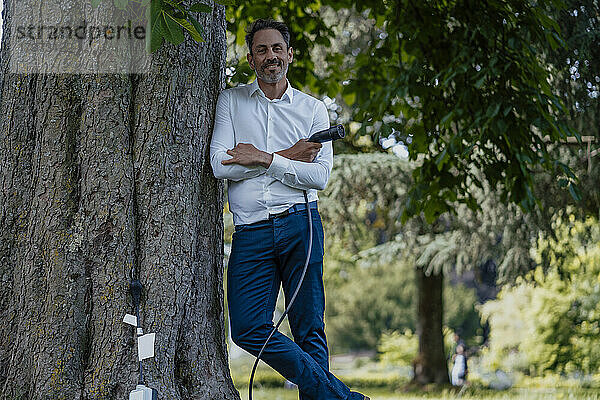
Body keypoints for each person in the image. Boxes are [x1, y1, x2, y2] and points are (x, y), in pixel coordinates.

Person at [209, 18, 369, 400]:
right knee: (247, 327)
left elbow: (318, 177)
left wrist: (262, 159)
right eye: (261, 50)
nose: (270, 56)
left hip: (301, 225)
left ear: (289, 54)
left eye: (277, 48)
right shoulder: (232, 101)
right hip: (251, 232)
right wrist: (287, 157)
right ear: (250, 58)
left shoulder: (314, 111)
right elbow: (218, 165)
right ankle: (343, 398)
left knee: (308, 328)